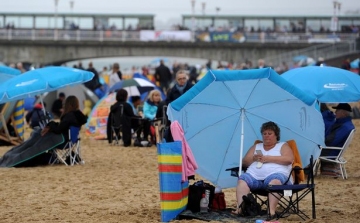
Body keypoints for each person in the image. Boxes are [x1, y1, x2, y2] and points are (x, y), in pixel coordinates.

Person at [233, 121, 294, 220]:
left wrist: (268, 158)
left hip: (276, 176)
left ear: (276, 135)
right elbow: (244, 162)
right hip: (254, 177)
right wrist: (253, 158)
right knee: (242, 180)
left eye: (270, 134)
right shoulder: (257, 146)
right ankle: (240, 209)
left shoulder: (283, 146)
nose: (266, 136)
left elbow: (289, 159)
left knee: (275, 181)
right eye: (264, 134)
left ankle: (271, 211)